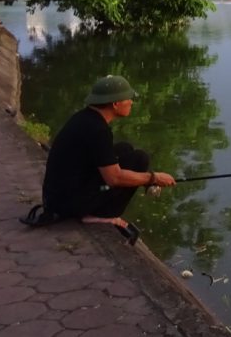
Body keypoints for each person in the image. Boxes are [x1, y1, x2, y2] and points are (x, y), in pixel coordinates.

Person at [39, 74, 176, 244]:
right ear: (116, 103)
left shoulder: (85, 118)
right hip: (67, 204)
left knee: (125, 149)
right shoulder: (98, 130)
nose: (131, 102)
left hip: (56, 197)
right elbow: (114, 178)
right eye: (128, 99)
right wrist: (153, 178)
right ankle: (101, 215)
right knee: (139, 159)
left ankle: (91, 210)